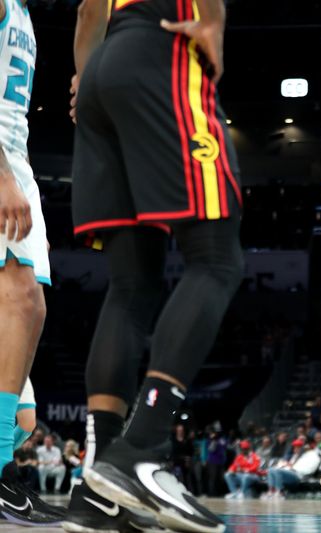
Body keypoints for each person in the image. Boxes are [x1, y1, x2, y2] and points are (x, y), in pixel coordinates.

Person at [63, 1, 241, 532]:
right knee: (217, 259)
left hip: (104, 62)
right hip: (162, 49)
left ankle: (101, 493)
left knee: (132, 285)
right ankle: (140, 448)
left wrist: (89, 74)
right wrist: (213, 22)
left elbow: (87, 10)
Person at [0, 0, 66, 524]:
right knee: (24, 302)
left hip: (15, 157)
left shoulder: (23, 12)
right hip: (1, 162)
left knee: (26, 417)